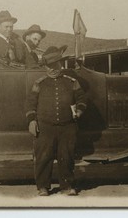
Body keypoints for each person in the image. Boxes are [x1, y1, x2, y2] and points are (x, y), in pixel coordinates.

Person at [25, 45, 87, 196]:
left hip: (67, 127)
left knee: (66, 157)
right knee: (43, 158)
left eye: (55, 65)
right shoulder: (39, 83)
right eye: (49, 66)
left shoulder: (71, 82)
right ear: (45, 67)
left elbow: (82, 99)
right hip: (45, 128)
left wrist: (79, 111)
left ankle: (67, 186)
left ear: (60, 64)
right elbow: (30, 104)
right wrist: (32, 121)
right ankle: (43, 187)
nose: (52, 69)